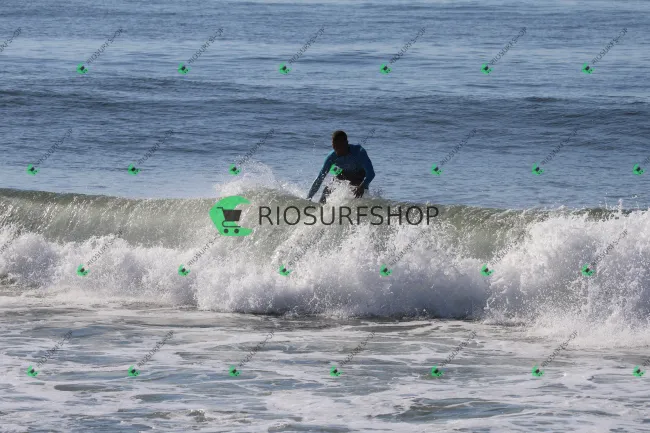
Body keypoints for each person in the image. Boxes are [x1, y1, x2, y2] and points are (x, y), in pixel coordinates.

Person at [307, 130, 375, 203]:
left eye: (339, 147)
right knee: (326, 189)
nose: (337, 151)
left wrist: (362, 186)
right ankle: (321, 207)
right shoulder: (331, 156)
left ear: (346, 143)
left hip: (359, 175)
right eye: (334, 147)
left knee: (358, 192)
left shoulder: (359, 152)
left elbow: (371, 174)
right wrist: (308, 198)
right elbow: (320, 178)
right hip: (342, 172)